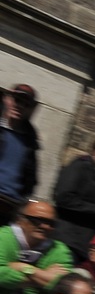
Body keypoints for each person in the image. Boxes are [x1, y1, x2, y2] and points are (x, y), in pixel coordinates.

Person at [0, 200, 73, 294]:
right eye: (37, 220)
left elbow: (64, 286)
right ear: (21, 220)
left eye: (50, 223)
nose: (44, 226)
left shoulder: (59, 250)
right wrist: (44, 278)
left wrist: (24, 268)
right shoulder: (3, 236)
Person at [0, 84, 41, 221]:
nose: (20, 106)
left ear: (31, 109)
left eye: (26, 104)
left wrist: (23, 200)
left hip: (9, 208)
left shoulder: (30, 142)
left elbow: (31, 179)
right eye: (17, 100)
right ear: (7, 99)